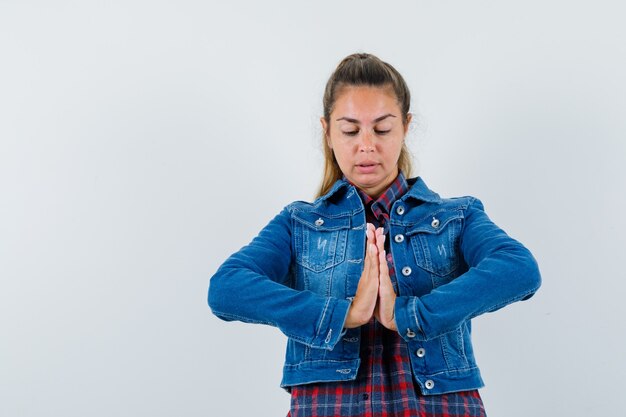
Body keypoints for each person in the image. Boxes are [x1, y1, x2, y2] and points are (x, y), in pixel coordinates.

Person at [208, 52, 541, 417]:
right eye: (350, 130)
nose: (366, 145)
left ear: (406, 127)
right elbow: (226, 288)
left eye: (382, 129)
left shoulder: (456, 216)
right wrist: (341, 315)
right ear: (328, 131)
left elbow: (519, 270)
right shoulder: (298, 224)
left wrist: (409, 315)